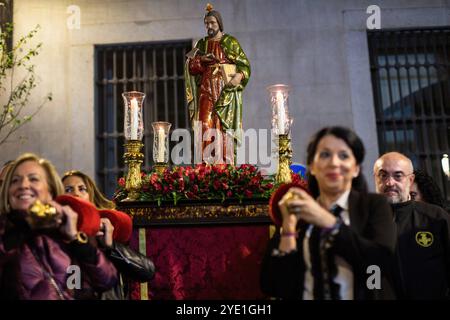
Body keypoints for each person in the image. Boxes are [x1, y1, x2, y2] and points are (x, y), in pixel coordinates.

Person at [261, 126, 396, 300]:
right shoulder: (300, 210)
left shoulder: (373, 205)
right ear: (312, 166)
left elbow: (378, 265)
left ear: (355, 168)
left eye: (343, 155)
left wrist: (328, 222)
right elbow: (273, 286)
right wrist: (288, 229)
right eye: (324, 155)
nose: (334, 162)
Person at [0, 153, 117, 299]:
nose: (23, 185)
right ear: (7, 191)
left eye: (33, 179)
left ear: (50, 191)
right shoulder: (4, 231)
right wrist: (25, 224)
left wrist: (76, 239)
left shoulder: (66, 230)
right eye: (15, 181)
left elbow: (106, 280)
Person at [62, 170, 155, 300]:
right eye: (68, 189)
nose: (76, 193)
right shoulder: (52, 235)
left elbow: (147, 272)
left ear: (91, 197)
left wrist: (112, 247)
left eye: (82, 189)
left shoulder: (104, 229)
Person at [373, 152, 450, 299]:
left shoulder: (436, 218)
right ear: (375, 179)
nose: (390, 183)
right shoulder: (363, 221)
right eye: (383, 175)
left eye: (398, 176)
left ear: (410, 179)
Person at [185, 3, 251, 164]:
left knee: (223, 128)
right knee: (205, 125)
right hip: (206, 89)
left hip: (225, 91)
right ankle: (205, 166)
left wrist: (240, 76)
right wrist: (201, 59)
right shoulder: (201, 44)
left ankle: (225, 166)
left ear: (219, 24)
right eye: (207, 23)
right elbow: (191, 67)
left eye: (212, 23)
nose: (209, 26)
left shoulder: (230, 42)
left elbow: (245, 64)